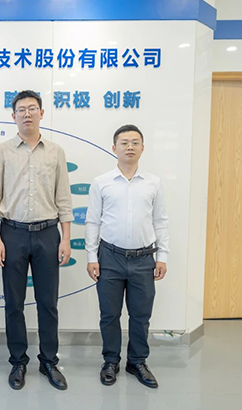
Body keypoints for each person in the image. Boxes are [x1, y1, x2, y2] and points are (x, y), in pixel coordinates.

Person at [0, 90, 73, 391]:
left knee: (48, 303)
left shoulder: (56, 151)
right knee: (14, 303)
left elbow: (64, 198)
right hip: (12, 234)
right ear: (13, 116)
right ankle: (18, 362)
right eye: (21, 109)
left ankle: (49, 361)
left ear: (41, 113)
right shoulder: (2, 151)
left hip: (49, 233)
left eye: (32, 108)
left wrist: (66, 238)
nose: (27, 114)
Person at [85, 124, 169, 388]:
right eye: (124, 143)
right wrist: (91, 256)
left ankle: (137, 361)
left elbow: (160, 221)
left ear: (142, 148)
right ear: (114, 148)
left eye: (135, 142)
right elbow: (93, 221)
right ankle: (110, 361)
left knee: (141, 315)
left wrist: (163, 256)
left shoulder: (153, 183)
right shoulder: (101, 183)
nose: (129, 147)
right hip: (110, 257)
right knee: (109, 314)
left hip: (144, 258)